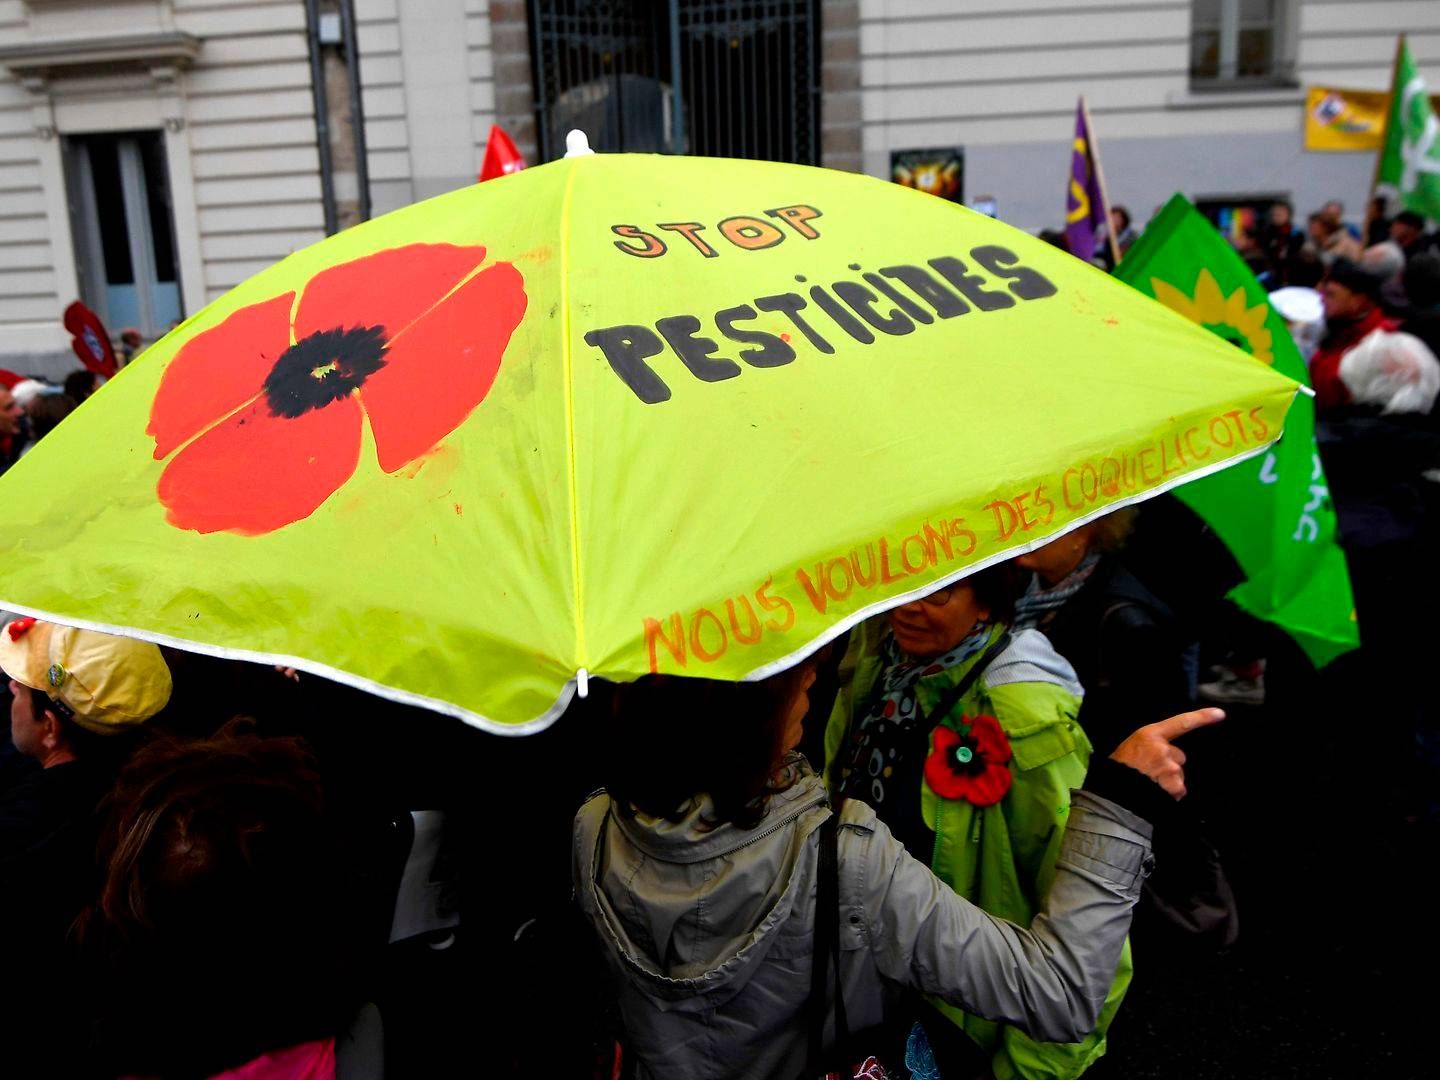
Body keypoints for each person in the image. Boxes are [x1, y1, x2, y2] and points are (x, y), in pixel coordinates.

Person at [575, 659, 1220, 1080]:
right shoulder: (845, 858)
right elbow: (1060, 993)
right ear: (748, 721)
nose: (812, 678)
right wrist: (1119, 805)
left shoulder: (593, 824)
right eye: (790, 674)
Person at [822, 568, 1127, 1079]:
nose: (907, 606)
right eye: (901, 582)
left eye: (938, 591)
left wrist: (1027, 1072)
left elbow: (1091, 932)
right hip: (863, 988)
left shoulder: (1027, 717)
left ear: (987, 603)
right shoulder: (877, 655)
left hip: (958, 1022)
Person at [0, 618, 172, 1075]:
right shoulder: (161, 799)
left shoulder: (23, 838)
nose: (11, 693)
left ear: (50, 727)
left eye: (17, 691)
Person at [1309, 257, 1397, 413]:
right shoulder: (1337, 331)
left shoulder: (1384, 341)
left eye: (1330, 295)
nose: (1322, 300)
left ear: (1359, 301)